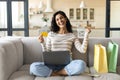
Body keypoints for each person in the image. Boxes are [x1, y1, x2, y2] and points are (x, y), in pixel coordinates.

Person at [30, 10, 91, 77]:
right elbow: (47, 52)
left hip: (67, 65)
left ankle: (55, 73)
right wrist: (42, 43)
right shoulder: (51, 34)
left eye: (61, 18)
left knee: (81, 64)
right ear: (56, 22)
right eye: (57, 19)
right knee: (33, 67)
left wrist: (86, 34)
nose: (60, 20)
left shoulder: (72, 35)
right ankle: (62, 73)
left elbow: (83, 50)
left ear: (66, 19)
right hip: (51, 64)